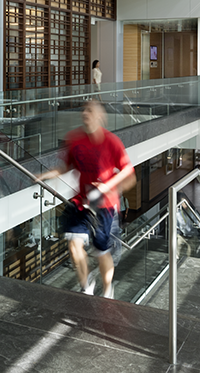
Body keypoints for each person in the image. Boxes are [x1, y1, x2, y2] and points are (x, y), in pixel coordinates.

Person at [36, 99, 134, 299]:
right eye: (83, 110)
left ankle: (107, 292)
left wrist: (109, 187)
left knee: (101, 251)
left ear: (99, 116)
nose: (85, 113)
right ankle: (86, 286)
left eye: (90, 110)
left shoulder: (111, 142)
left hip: (105, 205)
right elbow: (66, 166)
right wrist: (47, 174)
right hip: (82, 202)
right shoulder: (74, 139)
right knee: (73, 244)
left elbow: (129, 173)